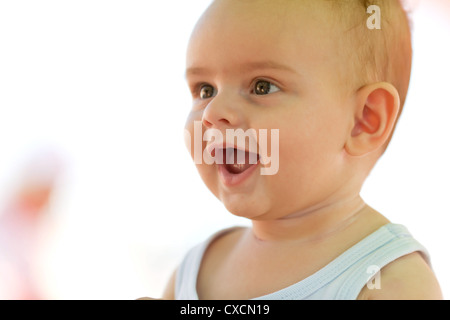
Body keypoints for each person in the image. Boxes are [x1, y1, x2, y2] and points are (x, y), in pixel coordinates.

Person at [162, 0, 442, 300]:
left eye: (262, 86)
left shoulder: (389, 282)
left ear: (363, 121)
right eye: (206, 89)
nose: (213, 112)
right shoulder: (193, 270)